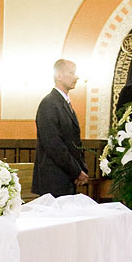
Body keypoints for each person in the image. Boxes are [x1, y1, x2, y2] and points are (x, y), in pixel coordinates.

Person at [32, 59, 88, 197]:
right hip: (54, 179)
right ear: (58, 75)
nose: (77, 77)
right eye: (72, 73)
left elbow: (73, 142)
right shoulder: (49, 104)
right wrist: (76, 171)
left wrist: (81, 169)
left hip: (66, 177)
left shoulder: (63, 103)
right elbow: (54, 145)